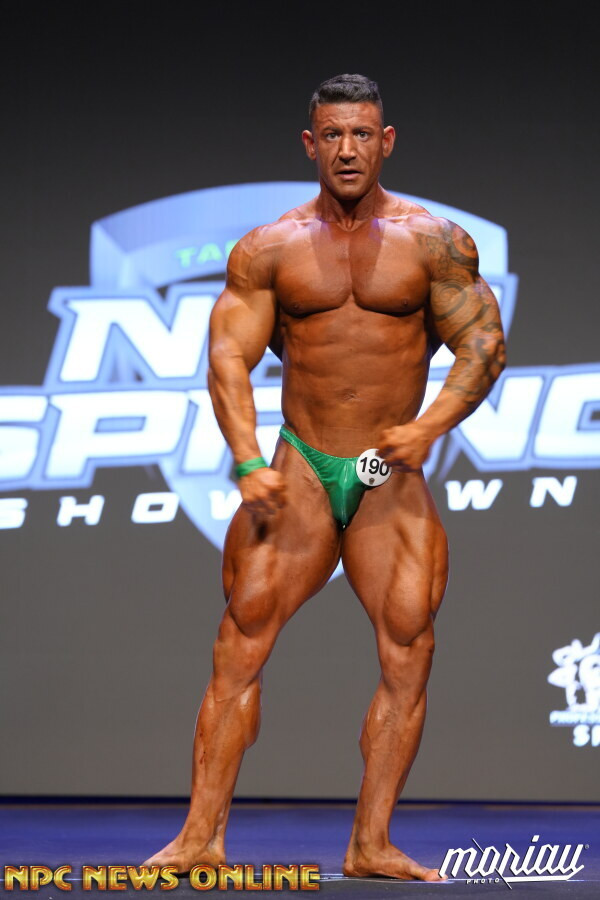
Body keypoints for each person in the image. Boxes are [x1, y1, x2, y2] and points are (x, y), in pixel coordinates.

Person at [144, 73, 505, 881]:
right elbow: (228, 356)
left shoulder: (433, 242)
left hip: (386, 472)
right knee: (239, 644)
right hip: (301, 466)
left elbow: (484, 345)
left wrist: (429, 427)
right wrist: (246, 458)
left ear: (386, 142)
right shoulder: (269, 248)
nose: (348, 149)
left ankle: (371, 843)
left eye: (362, 134)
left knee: (408, 648)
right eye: (333, 135)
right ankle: (201, 837)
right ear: (311, 144)